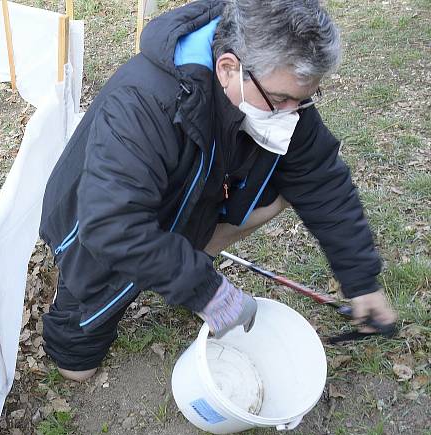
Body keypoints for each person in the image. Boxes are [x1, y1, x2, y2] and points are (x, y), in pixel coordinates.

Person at [39, 0, 397, 382]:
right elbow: (111, 225)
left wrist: (361, 281)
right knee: (77, 370)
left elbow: (322, 181)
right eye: (281, 100)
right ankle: (146, 278)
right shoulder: (144, 100)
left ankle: (183, 258)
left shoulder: (272, 85)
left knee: (280, 194)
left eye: (304, 99)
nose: (293, 113)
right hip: (92, 228)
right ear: (229, 68)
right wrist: (209, 292)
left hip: (189, 196)